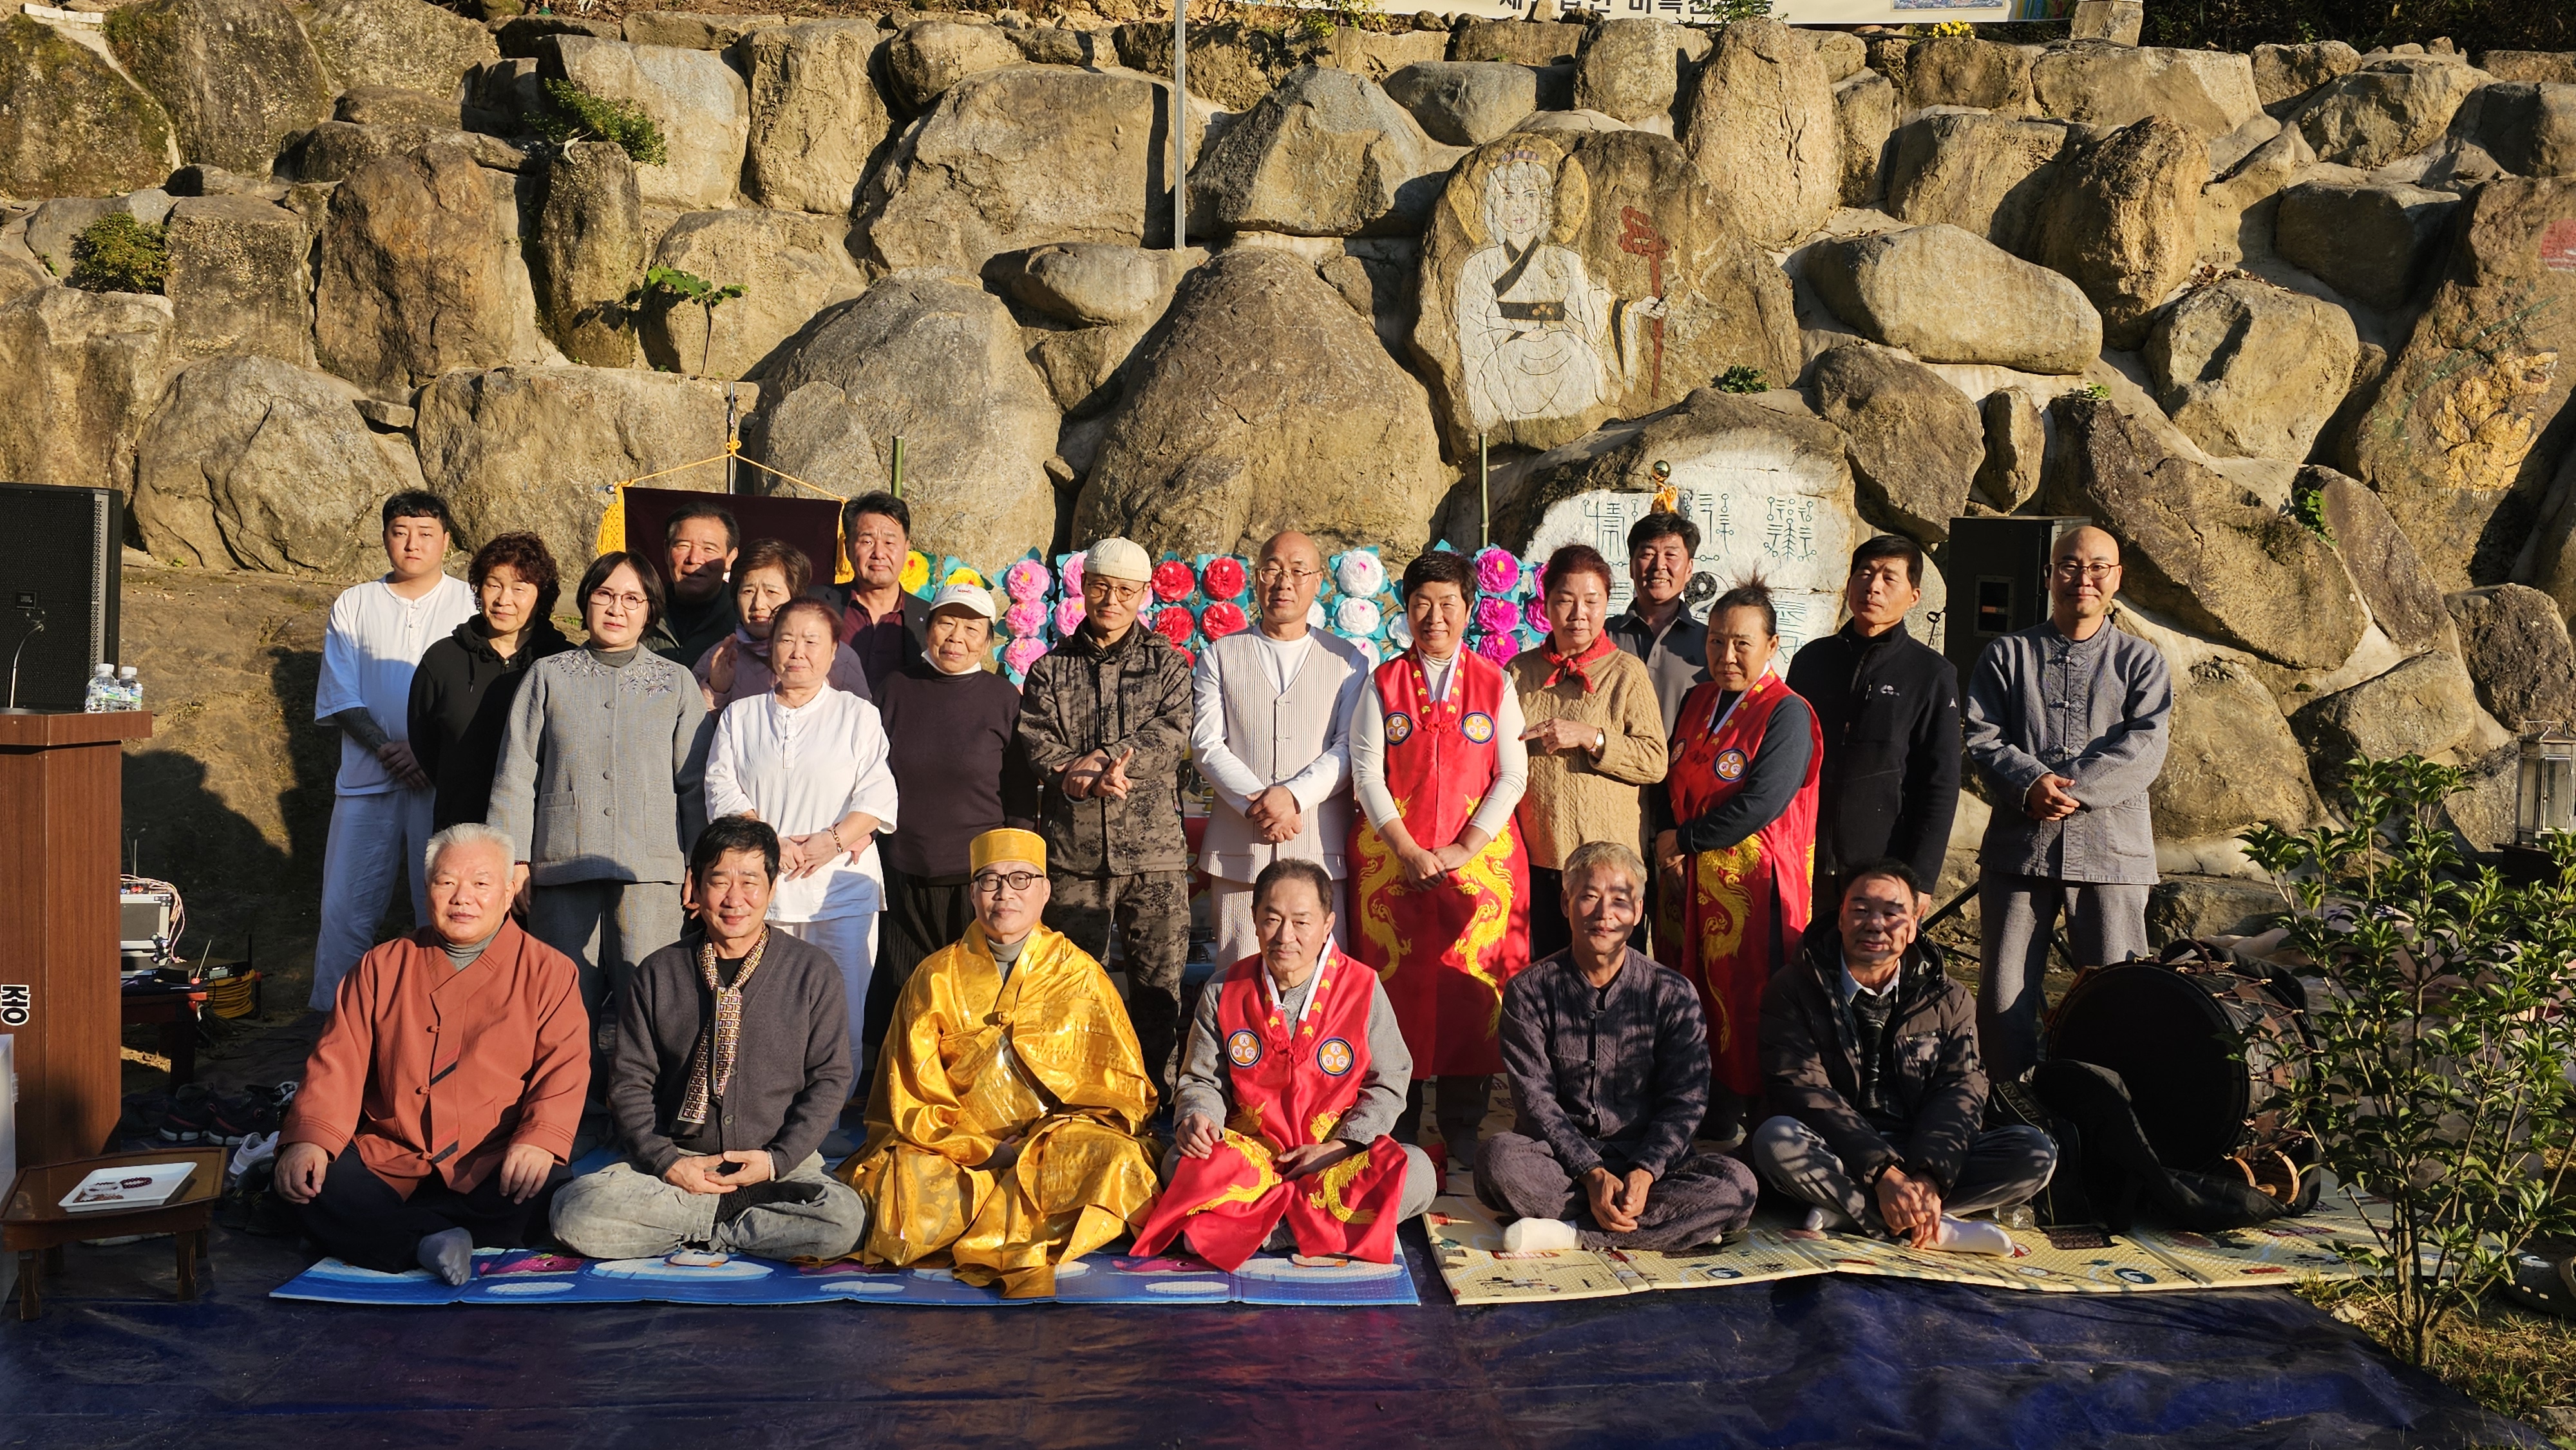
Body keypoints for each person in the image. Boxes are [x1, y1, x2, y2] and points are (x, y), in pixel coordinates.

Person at [839, 828, 1159, 1297]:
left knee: (1119, 1161)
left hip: (1054, 1144)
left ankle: (991, 1216)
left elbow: (1119, 1087)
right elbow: (910, 1095)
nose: (1004, 893)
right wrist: (984, 1151)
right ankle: (1015, 1213)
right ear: (973, 894)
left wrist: (1041, 1140)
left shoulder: (1081, 975)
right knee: (901, 1184)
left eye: (1020, 879)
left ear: (1045, 891)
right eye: (990, 881)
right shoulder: (935, 976)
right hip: (956, 1149)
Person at [274, 824, 588, 1283]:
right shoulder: (382, 965)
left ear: (508, 892)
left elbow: (564, 1069)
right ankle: (428, 1241)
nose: (463, 898)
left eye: (481, 884)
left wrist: (539, 1141)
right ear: (427, 890)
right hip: (393, 1158)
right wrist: (311, 1140)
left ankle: (401, 1235)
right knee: (312, 1185)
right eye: (447, 882)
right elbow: (336, 1063)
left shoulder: (549, 971)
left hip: (492, 1160)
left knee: (555, 1198)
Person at [550, 817, 870, 1261]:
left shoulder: (812, 972)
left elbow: (830, 1080)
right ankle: (733, 1220)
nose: (735, 899)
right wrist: (669, 1164)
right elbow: (630, 1083)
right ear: (697, 889)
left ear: (772, 888)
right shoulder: (659, 972)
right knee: (574, 1212)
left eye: (750, 882)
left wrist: (775, 1161)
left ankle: (698, 1222)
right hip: (676, 1164)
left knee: (844, 1219)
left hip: (775, 1166)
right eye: (719, 882)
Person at [1133, 859, 1436, 1269]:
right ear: (1255, 920)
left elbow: (1390, 1080)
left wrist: (1340, 1147)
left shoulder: (1362, 987)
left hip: (1333, 1159)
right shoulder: (1224, 989)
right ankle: (1316, 1230)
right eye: (1272, 919)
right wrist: (1199, 1119)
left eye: (1301, 922)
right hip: (1253, 1157)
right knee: (1179, 1161)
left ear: (1327, 925)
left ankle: (1262, 1231)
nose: (1285, 936)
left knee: (1417, 1171)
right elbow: (1204, 1080)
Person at [1750, 860, 2057, 1252]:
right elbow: (1802, 1090)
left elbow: (1960, 1092)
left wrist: (1929, 1178)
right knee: (1776, 1140)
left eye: (1892, 913)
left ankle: (1854, 1213)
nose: (1876, 924)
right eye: (1861, 910)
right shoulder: (1794, 987)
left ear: (1912, 927)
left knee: (2035, 1153)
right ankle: (1937, 1229)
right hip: (1837, 1148)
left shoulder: (1949, 998)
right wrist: (1883, 1174)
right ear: (1840, 918)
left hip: (1918, 1148)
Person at [489, 552, 711, 1081]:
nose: (617, 609)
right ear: (586, 601)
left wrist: (699, 863)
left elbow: (694, 783)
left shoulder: (675, 682)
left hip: (652, 870)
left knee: (650, 997)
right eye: (605, 595)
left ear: (650, 610)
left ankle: (648, 1106)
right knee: (562, 1003)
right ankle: (568, 1108)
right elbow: (516, 774)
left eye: (633, 599)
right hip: (561, 864)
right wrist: (513, 860)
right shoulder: (549, 676)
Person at [1476, 842, 1759, 1253]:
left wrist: (1646, 1170)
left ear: (1639, 911)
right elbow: (1535, 1102)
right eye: (1590, 896)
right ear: (1566, 903)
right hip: (1561, 1163)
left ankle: (1570, 1234)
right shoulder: (1530, 990)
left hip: (1651, 1166)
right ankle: (1669, 1227)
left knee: (1736, 1184)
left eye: (1620, 901)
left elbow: (1686, 1100)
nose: (1604, 914)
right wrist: (1590, 1172)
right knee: (1498, 1159)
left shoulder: (1673, 992)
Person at [1964, 525, 2172, 1080]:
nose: (2084, 578)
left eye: (2098, 567)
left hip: (2111, 855)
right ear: (2049, 574)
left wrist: (2066, 790)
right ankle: (2010, 1108)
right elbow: (1982, 736)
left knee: (2117, 997)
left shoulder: (2141, 661)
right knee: (2002, 997)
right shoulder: (2007, 655)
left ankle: (2109, 1110)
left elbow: (2146, 746)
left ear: (2117, 578)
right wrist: (2029, 782)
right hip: (2019, 850)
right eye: (2070, 566)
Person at [1348, 548, 1531, 1172]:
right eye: (1422, 604)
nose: (1435, 617)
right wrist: (1405, 847)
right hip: (1394, 866)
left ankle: (1462, 1124)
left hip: (1475, 870)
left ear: (1469, 609)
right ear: (1405, 610)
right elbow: (1367, 774)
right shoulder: (1383, 682)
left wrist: (1463, 847)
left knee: (1469, 997)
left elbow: (1512, 774)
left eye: (1448, 603)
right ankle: (1396, 1121)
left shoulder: (1495, 683)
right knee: (1395, 991)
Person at [1017, 536, 1196, 1100]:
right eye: (1100, 587)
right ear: (1084, 588)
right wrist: (1076, 773)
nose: (1111, 601)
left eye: (1124, 590)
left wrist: (1102, 759)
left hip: (1154, 859)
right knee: (1071, 987)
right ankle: (1075, 1099)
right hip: (1074, 857)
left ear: (1143, 595)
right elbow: (1037, 742)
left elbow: (1171, 736)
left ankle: (1156, 1100)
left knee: (1158, 991)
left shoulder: (1168, 665)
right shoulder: (1050, 670)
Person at [1650, 578, 1821, 1142]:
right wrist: (1669, 839)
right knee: (1689, 994)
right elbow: (1670, 779)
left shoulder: (1786, 712)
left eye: (1742, 643)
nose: (1726, 655)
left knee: (1746, 1001)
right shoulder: (1699, 700)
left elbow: (1762, 802)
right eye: (1717, 640)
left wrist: (1684, 840)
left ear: (1772, 646)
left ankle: (1760, 1121)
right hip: (1686, 883)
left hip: (1752, 890)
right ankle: (1700, 1109)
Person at [704, 596, 898, 1087]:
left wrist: (832, 841)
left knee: (841, 1008)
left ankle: (829, 1113)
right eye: (787, 639)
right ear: (771, 647)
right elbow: (721, 788)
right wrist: (768, 840)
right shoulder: (742, 716)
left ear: (834, 652)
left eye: (812, 641)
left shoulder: (856, 715)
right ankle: (763, 1106)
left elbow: (877, 795)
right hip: (761, 889)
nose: (798, 651)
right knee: (763, 1006)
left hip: (840, 891)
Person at [309, 491, 480, 1011]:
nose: (412, 544)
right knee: (345, 909)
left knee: (445, 905)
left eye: (426, 533)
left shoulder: (471, 604)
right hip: (366, 780)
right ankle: (335, 1021)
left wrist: (427, 752)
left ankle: (447, 1015)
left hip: (442, 781)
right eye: (400, 532)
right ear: (385, 537)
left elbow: (477, 693)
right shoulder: (354, 603)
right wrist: (387, 748)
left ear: (446, 541)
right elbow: (340, 694)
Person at [868, 581, 1037, 1058]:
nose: (956, 637)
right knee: (908, 992)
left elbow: (1020, 791)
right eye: (946, 623)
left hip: (978, 881)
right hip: (904, 871)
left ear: (988, 641)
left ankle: (976, 1088)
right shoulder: (896, 689)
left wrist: (1013, 869)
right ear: (928, 627)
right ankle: (910, 1086)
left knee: (975, 998)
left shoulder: (1002, 698)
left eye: (971, 628)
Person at [1190, 531, 1368, 970]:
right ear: (1256, 578)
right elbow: (1206, 743)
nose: (1284, 582)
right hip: (1240, 853)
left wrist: (1292, 797)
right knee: (1237, 976)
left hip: (1319, 848)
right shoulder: (1220, 655)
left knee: (1321, 977)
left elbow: (1349, 747)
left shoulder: (1348, 661)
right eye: (1272, 569)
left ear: (1318, 581)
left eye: (1298, 571)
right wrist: (1261, 803)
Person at [1508, 543, 1669, 961]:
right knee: (1548, 973)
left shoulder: (1626, 672)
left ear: (1606, 605)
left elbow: (1654, 761)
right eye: (1565, 600)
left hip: (1611, 865)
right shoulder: (1519, 673)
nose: (1579, 613)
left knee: (1613, 972)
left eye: (1592, 601)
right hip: (1540, 859)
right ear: (1546, 605)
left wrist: (1592, 737)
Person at [1785, 535, 1962, 909]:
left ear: (1914, 597)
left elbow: (1940, 783)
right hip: (1802, 854)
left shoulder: (1930, 674)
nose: (1873, 586)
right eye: (1865, 573)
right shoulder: (1811, 661)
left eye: (1889, 577)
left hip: (1883, 864)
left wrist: (1922, 876)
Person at [406, 531, 573, 833]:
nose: (503, 600)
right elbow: (425, 742)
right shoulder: (443, 659)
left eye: (519, 588)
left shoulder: (563, 663)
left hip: (541, 833)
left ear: (541, 596)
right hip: (460, 830)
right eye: (493, 585)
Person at [696, 539, 871, 710]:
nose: (759, 604)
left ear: (795, 597)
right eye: (748, 591)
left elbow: (861, 719)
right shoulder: (718, 658)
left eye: (771, 592)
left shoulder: (841, 659)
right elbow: (694, 726)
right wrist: (716, 691)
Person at [1605, 507, 1709, 739]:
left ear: (1689, 569)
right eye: (1648, 554)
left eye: (1671, 555)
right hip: (1610, 761)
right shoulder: (1605, 636)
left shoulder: (1709, 643)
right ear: (1632, 567)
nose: (1659, 565)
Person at [828, 491, 932, 693]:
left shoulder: (929, 619)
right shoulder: (816, 605)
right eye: (867, 542)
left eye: (889, 543)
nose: (879, 553)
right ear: (848, 548)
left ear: (906, 549)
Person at [643, 499, 740, 669]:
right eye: (683, 546)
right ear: (666, 551)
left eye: (709, 549)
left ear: (730, 558)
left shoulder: (743, 622)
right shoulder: (641, 612)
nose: (694, 559)